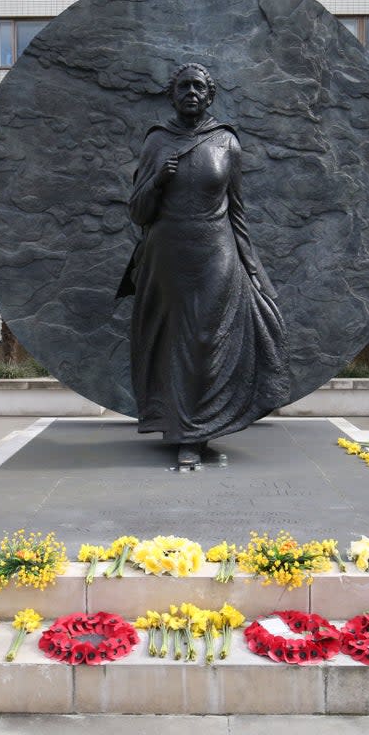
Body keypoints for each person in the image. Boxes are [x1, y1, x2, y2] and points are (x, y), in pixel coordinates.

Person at [117, 62, 291, 468]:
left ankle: (205, 427)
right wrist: (157, 178)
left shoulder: (227, 142)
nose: (191, 92)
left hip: (216, 253)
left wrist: (256, 271)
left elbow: (238, 214)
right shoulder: (156, 141)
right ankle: (185, 435)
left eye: (199, 87)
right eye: (184, 87)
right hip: (167, 256)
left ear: (210, 95)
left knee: (208, 340)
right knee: (176, 342)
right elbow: (138, 213)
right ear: (172, 95)